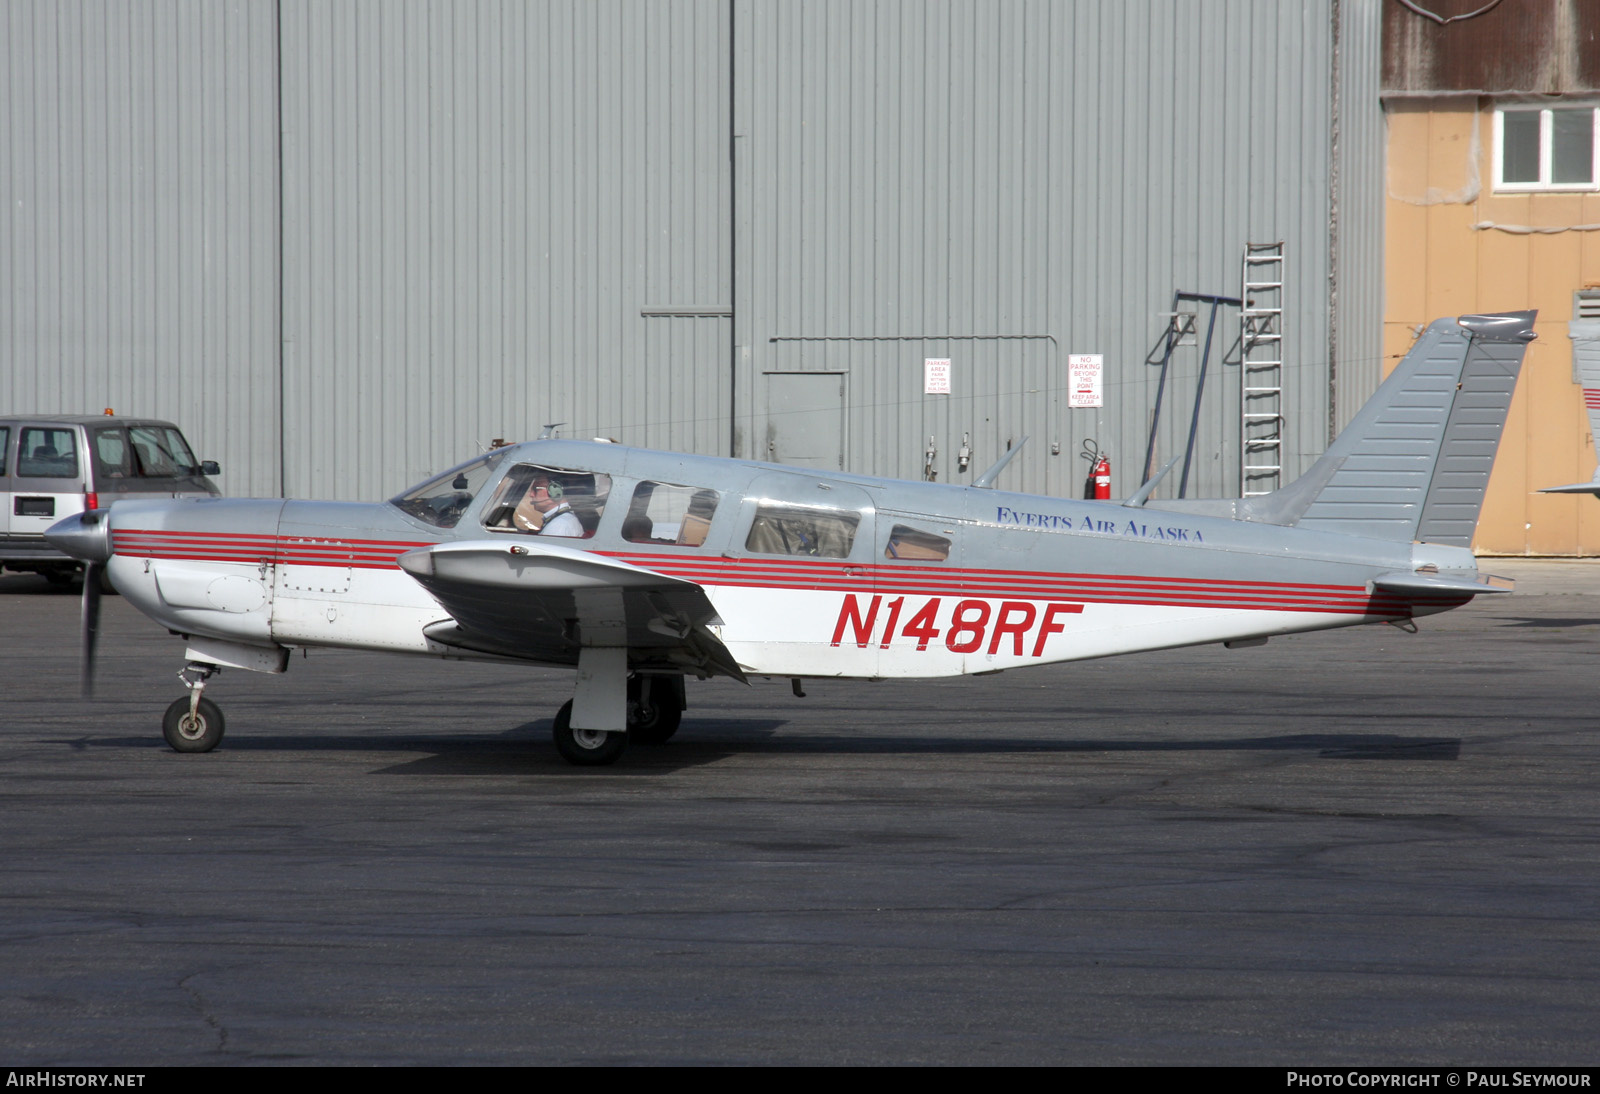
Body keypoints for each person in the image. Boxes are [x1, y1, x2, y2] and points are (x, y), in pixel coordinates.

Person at [514, 475, 583, 536]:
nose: (531, 494)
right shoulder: (563, 520)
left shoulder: (558, 525)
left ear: (555, 492)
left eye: (535, 489)